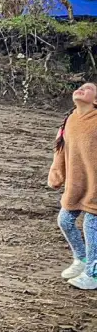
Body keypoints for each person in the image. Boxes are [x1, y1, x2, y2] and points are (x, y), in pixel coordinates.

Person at [48, 82, 97, 290]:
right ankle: (82, 259)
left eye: (88, 88)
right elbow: (60, 149)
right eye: (80, 87)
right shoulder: (69, 120)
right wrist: (56, 171)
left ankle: (93, 273)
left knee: (91, 225)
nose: (81, 89)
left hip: (95, 186)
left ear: (95, 100)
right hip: (76, 184)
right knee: (65, 220)